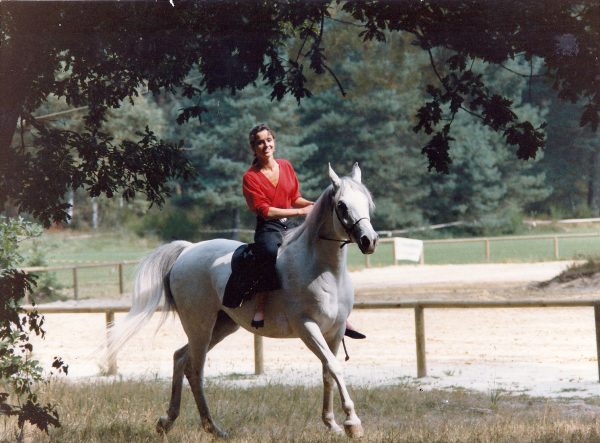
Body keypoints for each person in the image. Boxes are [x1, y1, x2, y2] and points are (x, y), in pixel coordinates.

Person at [241, 123, 365, 339]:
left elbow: (295, 197)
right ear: (254, 147)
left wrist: (314, 205)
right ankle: (260, 306)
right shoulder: (250, 177)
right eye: (260, 142)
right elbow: (265, 211)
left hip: (289, 224)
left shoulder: (286, 166)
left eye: (269, 140)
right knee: (268, 252)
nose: (266, 145)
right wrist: (299, 213)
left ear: (274, 142)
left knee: (318, 248)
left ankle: (340, 315)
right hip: (269, 227)